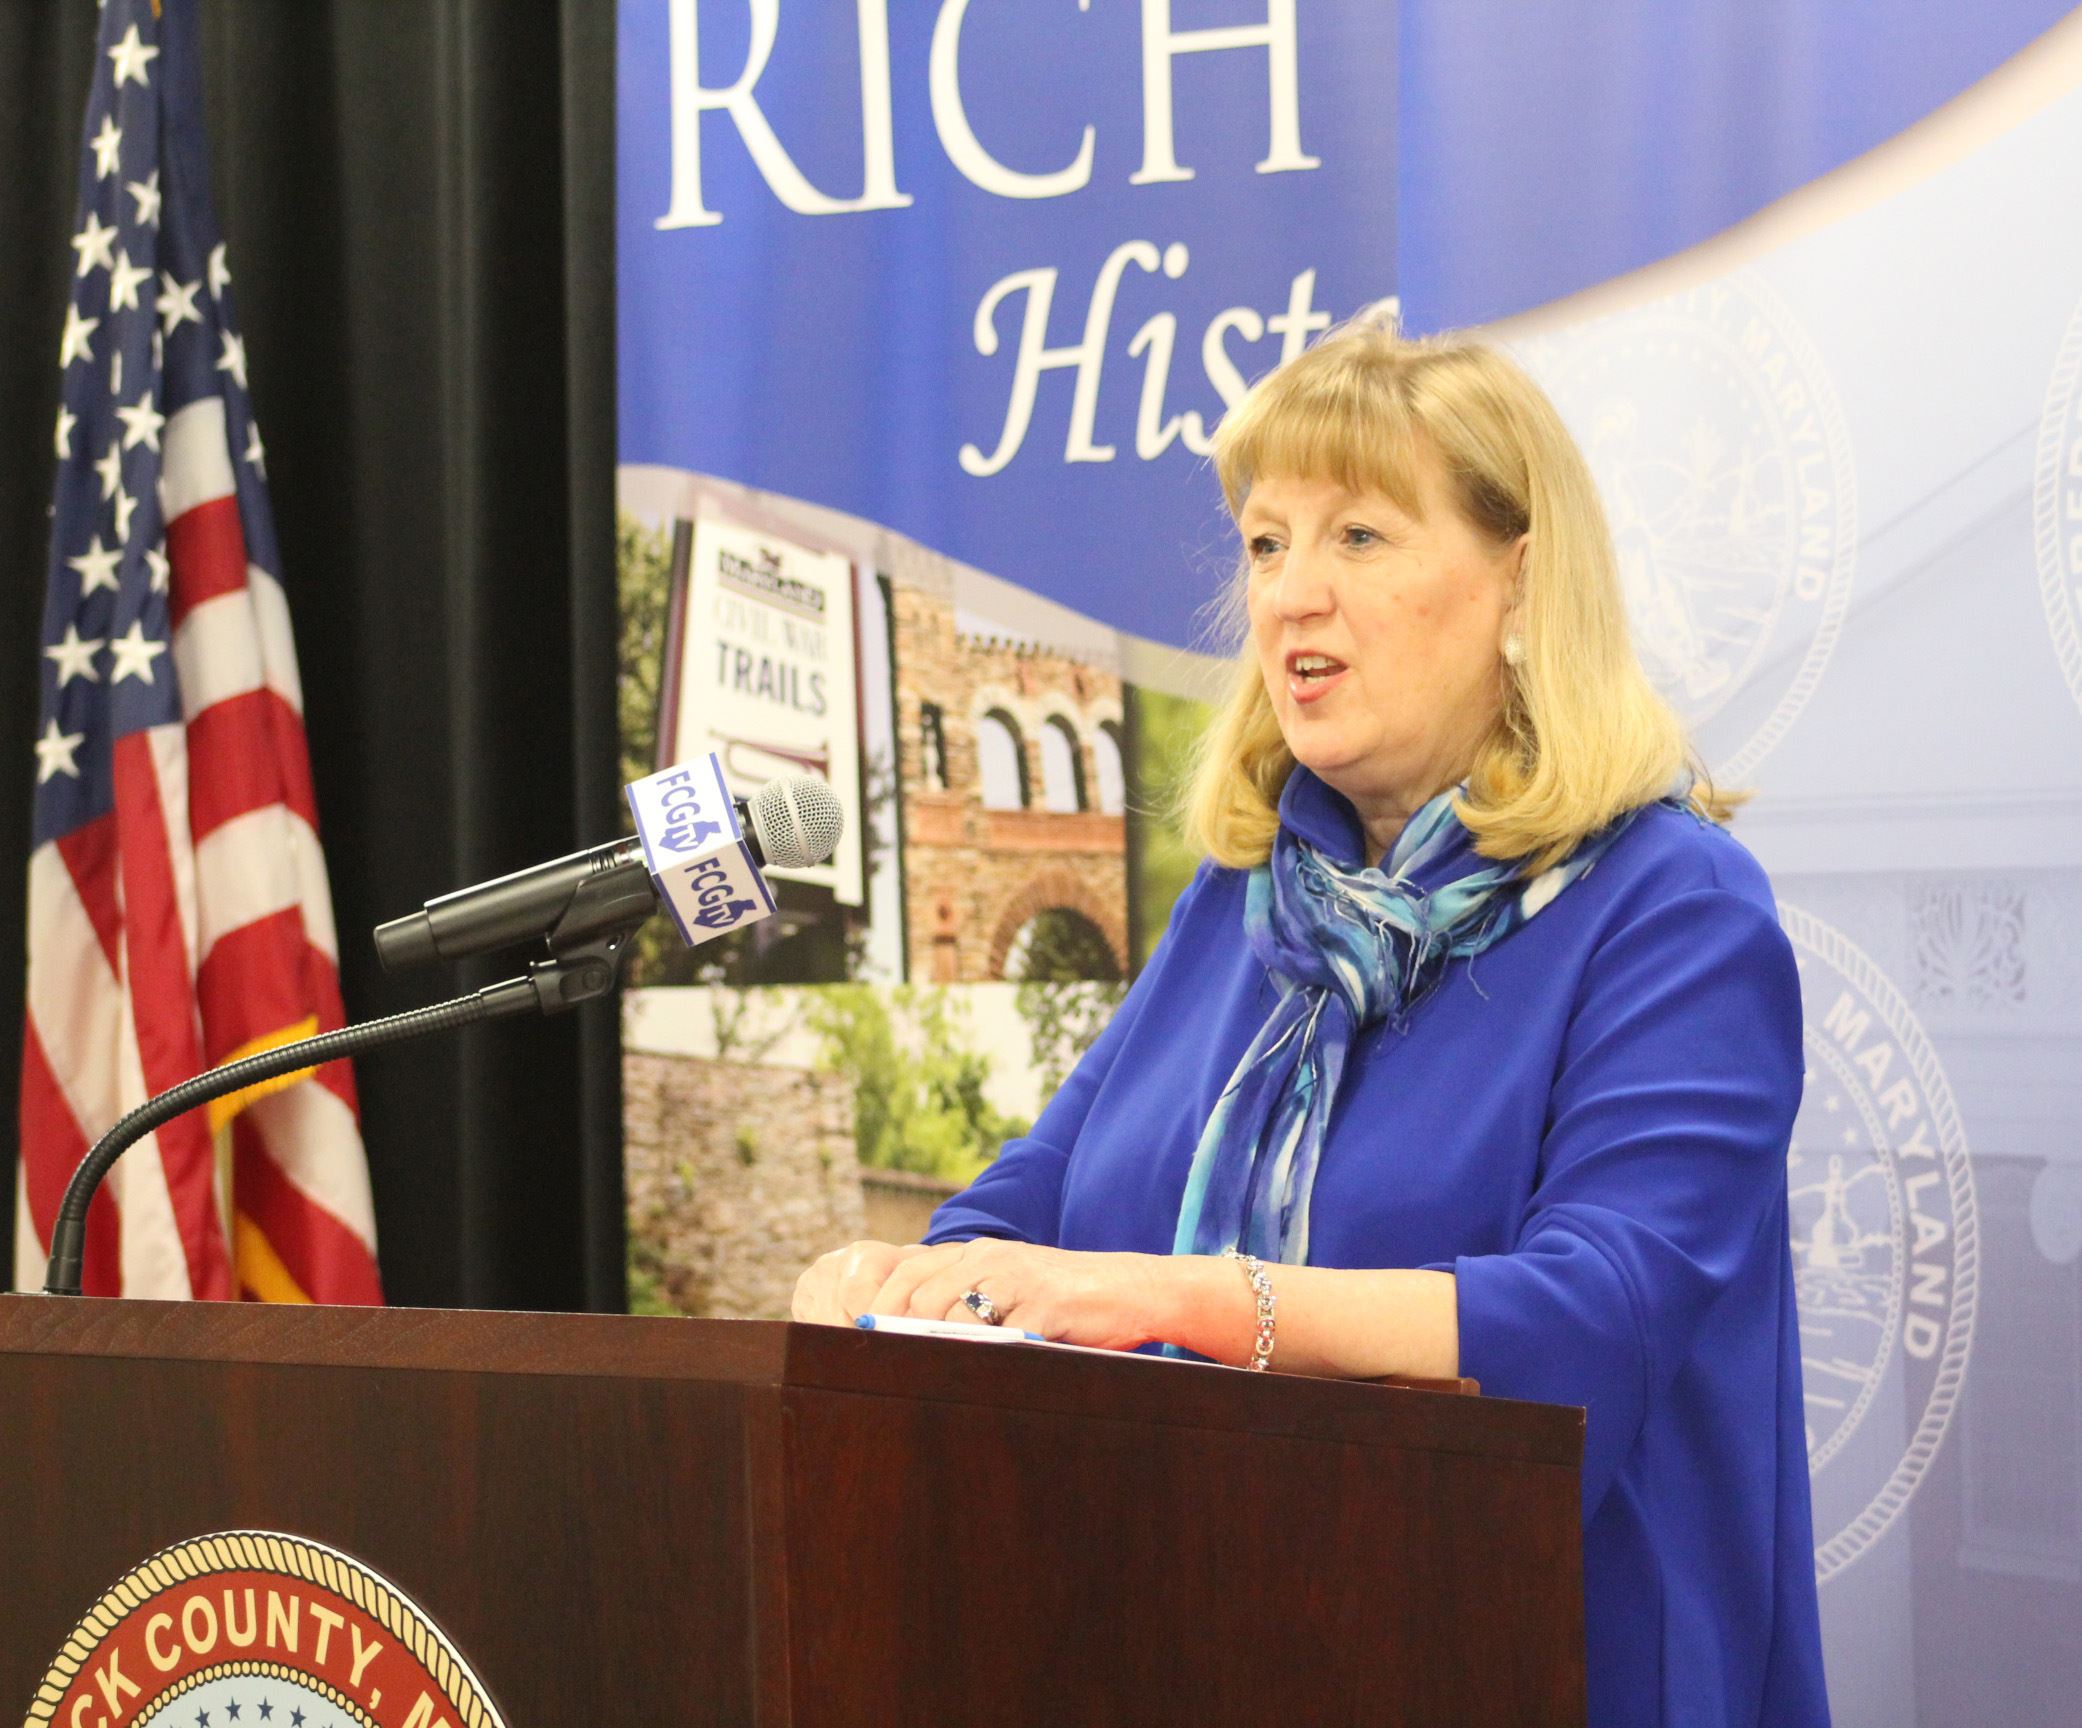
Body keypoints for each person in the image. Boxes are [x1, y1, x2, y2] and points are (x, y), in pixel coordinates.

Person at [794, 316, 1830, 1728]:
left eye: (1357, 537)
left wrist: (1187, 1301)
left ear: (1522, 584)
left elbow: (1594, 1317)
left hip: (1549, 1668)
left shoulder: (1673, 908)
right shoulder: (1242, 906)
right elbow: (1039, 1199)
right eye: (1266, 544)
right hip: (1191, 1651)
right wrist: (904, 1286)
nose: (1290, 596)